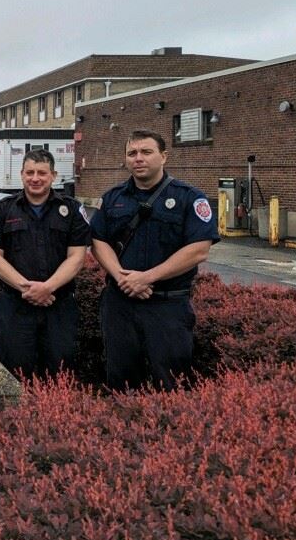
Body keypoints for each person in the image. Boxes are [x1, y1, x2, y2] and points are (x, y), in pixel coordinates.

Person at [90, 129, 218, 391]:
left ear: (163, 156)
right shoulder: (112, 198)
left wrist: (147, 277)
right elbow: (98, 241)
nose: (138, 158)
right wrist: (122, 277)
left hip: (167, 306)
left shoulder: (189, 198)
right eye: (132, 153)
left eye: (146, 152)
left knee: (172, 382)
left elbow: (198, 249)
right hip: (120, 304)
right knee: (121, 382)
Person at [0, 148, 90, 378]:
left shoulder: (71, 210)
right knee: (14, 375)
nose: (35, 178)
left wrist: (47, 288)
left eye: (42, 172)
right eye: (29, 172)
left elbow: (77, 258)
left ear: (53, 176)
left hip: (59, 306)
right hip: (15, 307)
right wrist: (27, 288)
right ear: (21, 174)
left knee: (60, 376)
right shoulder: (2, 209)